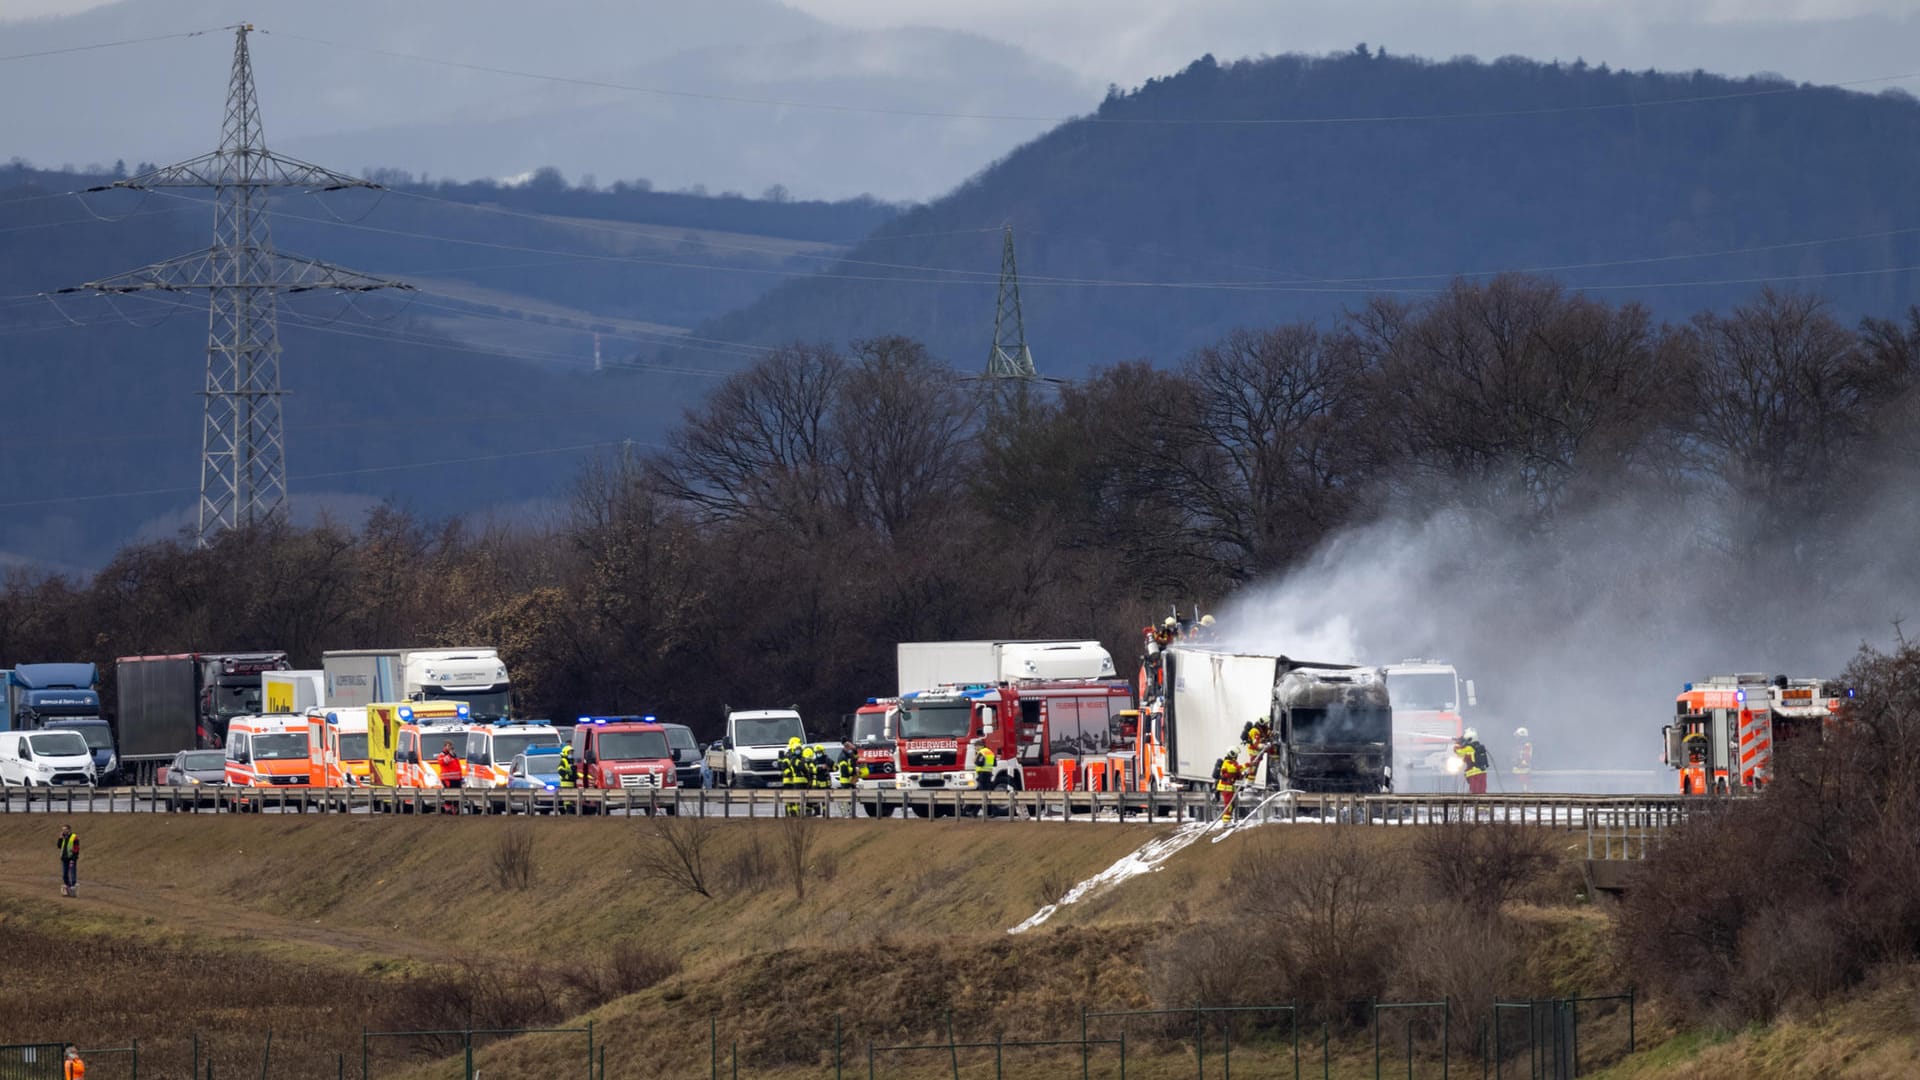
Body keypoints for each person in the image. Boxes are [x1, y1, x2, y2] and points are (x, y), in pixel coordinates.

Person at [1454, 728, 1490, 795]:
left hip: (1474, 774)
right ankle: (1483, 805)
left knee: (1475, 794)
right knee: (1482, 793)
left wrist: (1457, 744)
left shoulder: (1470, 748)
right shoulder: (1479, 747)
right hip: (1482, 773)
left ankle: (1477, 805)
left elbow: (1458, 751)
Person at [1213, 748, 1244, 822]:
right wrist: (1248, 765)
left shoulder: (1233, 763)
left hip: (1229, 788)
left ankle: (1227, 821)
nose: (1237, 756)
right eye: (1236, 754)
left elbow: (1237, 775)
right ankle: (1226, 822)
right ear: (1232, 754)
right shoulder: (1227, 763)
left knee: (1231, 805)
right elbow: (1235, 769)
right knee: (1229, 805)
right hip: (1226, 787)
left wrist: (1243, 775)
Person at [780, 736, 806, 816]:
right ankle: (791, 811)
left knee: (792, 797)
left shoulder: (791, 755)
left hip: (793, 780)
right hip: (788, 780)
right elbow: (784, 767)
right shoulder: (789, 756)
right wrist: (789, 773)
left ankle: (792, 811)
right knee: (790, 798)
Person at [56, 825, 78, 898]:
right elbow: (59, 846)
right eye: (63, 830)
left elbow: (76, 849)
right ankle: (67, 886)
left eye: (65, 829)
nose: (64, 831)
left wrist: (73, 859)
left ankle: (73, 887)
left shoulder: (74, 837)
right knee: (64, 874)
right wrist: (60, 838)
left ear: (69, 830)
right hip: (64, 858)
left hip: (71, 858)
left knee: (72, 873)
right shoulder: (63, 837)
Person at [1511, 727, 1534, 793]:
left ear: (1522, 737)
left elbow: (1526, 757)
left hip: (1522, 769)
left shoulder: (1527, 745)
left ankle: (1526, 792)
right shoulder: (1520, 745)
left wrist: (1519, 763)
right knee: (1519, 784)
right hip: (1518, 768)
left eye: (1518, 736)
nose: (1516, 738)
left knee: (1524, 784)